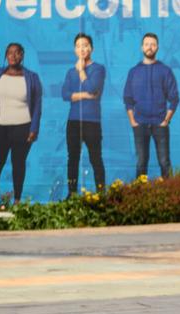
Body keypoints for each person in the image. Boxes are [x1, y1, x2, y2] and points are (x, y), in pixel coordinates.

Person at [0, 43, 42, 204]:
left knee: (18, 164)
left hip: (23, 127)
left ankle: (17, 201)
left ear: (22, 55)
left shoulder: (32, 77)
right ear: (6, 55)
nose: (13, 55)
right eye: (10, 52)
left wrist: (34, 128)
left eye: (17, 52)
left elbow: (38, 105)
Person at [123, 33, 180, 179]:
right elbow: (128, 99)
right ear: (142, 47)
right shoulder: (134, 72)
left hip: (160, 124)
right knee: (141, 163)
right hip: (140, 123)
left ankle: (169, 191)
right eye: (147, 44)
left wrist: (166, 121)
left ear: (157, 47)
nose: (150, 47)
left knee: (164, 162)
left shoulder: (165, 71)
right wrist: (133, 122)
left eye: (153, 44)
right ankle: (140, 191)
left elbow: (174, 98)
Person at [62, 33, 107, 196]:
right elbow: (65, 94)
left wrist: (81, 71)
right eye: (78, 46)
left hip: (92, 121)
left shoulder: (99, 69)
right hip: (73, 120)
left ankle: (101, 194)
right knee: (72, 158)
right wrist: (85, 95)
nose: (82, 49)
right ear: (75, 50)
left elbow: (92, 88)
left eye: (85, 45)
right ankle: (72, 194)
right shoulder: (70, 72)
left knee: (95, 158)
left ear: (91, 49)